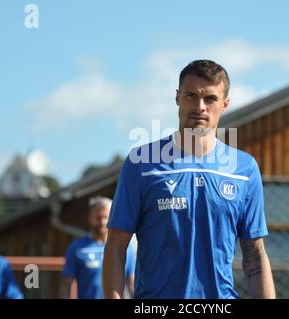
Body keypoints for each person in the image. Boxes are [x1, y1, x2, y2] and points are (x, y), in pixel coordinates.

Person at [102, 59, 276, 299]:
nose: (200, 106)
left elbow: (255, 255)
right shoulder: (141, 163)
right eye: (191, 96)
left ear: (225, 104)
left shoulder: (244, 169)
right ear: (177, 98)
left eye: (210, 99)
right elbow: (116, 246)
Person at [61, 196, 135, 299]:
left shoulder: (127, 249)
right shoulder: (76, 248)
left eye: (106, 217)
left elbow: (132, 284)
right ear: (90, 218)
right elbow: (65, 285)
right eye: (98, 217)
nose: (102, 222)